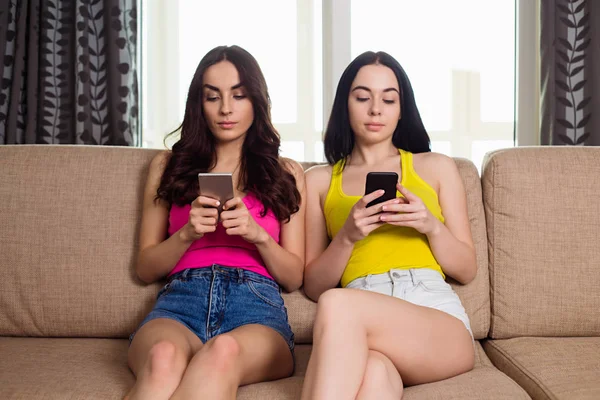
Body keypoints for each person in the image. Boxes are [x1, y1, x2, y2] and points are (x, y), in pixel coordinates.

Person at [126, 45, 305, 400]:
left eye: (238, 95)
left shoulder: (287, 173)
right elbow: (145, 268)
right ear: (199, 104)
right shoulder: (167, 165)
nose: (226, 108)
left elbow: (294, 276)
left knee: (223, 351)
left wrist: (259, 236)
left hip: (255, 307)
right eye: (213, 97)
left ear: (256, 101)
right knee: (163, 358)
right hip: (180, 302)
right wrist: (187, 234)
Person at [301, 51, 476, 400]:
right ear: (345, 105)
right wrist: (348, 236)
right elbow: (313, 285)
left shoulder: (436, 167)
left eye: (388, 99)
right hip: (362, 321)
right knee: (374, 377)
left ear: (401, 108)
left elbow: (467, 269)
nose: (375, 109)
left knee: (337, 304)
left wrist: (431, 226)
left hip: (433, 317)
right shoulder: (318, 181)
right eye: (363, 97)